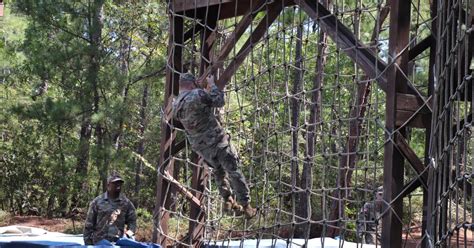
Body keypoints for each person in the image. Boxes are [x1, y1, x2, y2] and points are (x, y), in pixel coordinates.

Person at [173, 73, 256, 218]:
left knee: (219, 171)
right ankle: (246, 205)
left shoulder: (176, 104)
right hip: (217, 141)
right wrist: (211, 84)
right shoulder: (197, 94)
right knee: (233, 171)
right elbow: (219, 101)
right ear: (192, 85)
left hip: (202, 148)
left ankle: (227, 200)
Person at [83, 173, 137, 245]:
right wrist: (88, 243)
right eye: (115, 183)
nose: (118, 185)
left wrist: (128, 234)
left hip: (117, 243)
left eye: (120, 183)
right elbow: (89, 224)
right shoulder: (97, 202)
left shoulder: (126, 203)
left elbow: (132, 221)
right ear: (108, 185)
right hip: (98, 242)